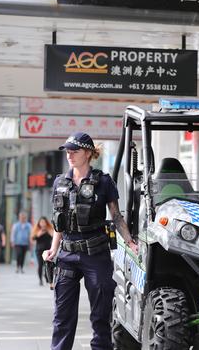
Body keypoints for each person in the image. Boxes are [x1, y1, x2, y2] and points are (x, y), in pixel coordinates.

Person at [42, 132, 138, 350]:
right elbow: (59, 222)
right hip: (67, 255)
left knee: (100, 316)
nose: (69, 154)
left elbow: (116, 216)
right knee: (62, 316)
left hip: (96, 255)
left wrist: (130, 242)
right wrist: (53, 249)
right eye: (67, 151)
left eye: (74, 151)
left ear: (87, 153)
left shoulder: (104, 182)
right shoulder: (60, 182)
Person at [30, 216, 53, 286]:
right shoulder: (37, 230)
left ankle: (47, 278)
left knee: (48, 265)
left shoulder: (49, 229)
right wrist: (39, 233)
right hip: (39, 250)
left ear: (46, 223)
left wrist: (48, 231)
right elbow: (33, 238)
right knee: (40, 265)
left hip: (47, 250)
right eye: (41, 222)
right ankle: (40, 280)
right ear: (39, 223)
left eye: (44, 222)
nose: (42, 224)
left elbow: (53, 236)